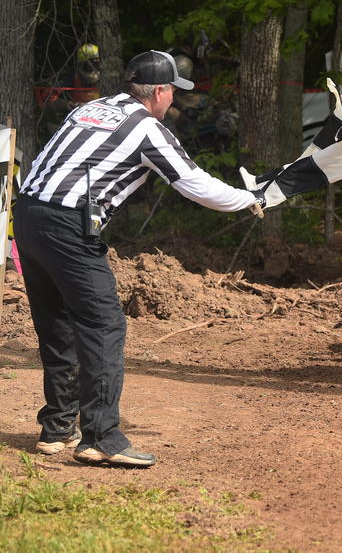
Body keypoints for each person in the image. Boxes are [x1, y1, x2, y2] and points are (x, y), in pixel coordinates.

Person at [13, 50, 264, 468]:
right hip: (69, 224)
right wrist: (249, 198)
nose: (174, 102)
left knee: (56, 324)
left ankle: (58, 427)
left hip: (28, 213)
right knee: (103, 325)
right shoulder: (148, 129)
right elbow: (194, 184)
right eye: (173, 93)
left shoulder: (93, 108)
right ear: (160, 91)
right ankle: (101, 437)